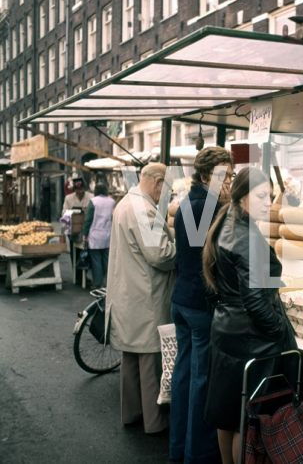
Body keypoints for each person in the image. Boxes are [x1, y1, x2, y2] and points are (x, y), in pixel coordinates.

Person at [202, 167, 297, 464]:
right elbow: (255, 303)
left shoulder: (224, 222)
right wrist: (280, 329)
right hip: (249, 338)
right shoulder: (246, 237)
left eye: (269, 196)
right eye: (260, 196)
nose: (268, 202)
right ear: (242, 197)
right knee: (247, 419)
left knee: (227, 413)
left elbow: (217, 286)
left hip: (226, 328)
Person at [169, 147, 233, 464]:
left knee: (182, 377)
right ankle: (198, 456)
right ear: (207, 175)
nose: (229, 182)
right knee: (201, 380)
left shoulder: (187, 203)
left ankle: (178, 448)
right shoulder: (210, 206)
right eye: (224, 175)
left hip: (181, 301)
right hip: (200, 305)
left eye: (232, 175)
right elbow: (217, 259)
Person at [106, 163, 177, 434]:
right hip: (145, 297)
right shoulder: (144, 209)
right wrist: (177, 248)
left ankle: (132, 414)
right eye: (166, 187)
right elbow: (160, 255)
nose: (165, 194)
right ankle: (154, 422)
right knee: (150, 361)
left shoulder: (126, 203)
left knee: (131, 360)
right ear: (157, 182)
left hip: (128, 293)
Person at [82, 183, 116, 289]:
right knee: (107, 259)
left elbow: (88, 219)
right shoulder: (112, 201)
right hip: (108, 233)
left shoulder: (93, 201)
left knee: (96, 260)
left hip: (95, 234)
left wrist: (85, 233)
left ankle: (98, 283)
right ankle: (109, 283)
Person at [62, 178, 94, 283]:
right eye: (77, 189)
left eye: (82, 189)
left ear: (85, 188)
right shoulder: (68, 198)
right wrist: (72, 212)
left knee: (86, 253)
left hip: (87, 229)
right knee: (74, 253)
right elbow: (64, 214)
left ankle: (85, 275)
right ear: (75, 189)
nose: (80, 191)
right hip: (73, 229)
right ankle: (77, 275)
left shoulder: (91, 197)